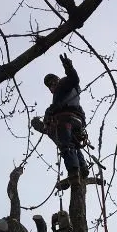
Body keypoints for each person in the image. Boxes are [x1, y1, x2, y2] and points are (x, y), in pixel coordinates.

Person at [32, 53, 88, 189]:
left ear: (57, 79)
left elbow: (74, 79)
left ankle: (74, 173)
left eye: (52, 82)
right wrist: (40, 123)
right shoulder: (59, 98)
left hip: (66, 119)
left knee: (66, 145)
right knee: (72, 144)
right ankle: (83, 167)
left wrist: (69, 67)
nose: (51, 86)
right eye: (49, 85)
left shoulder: (64, 84)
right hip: (76, 122)